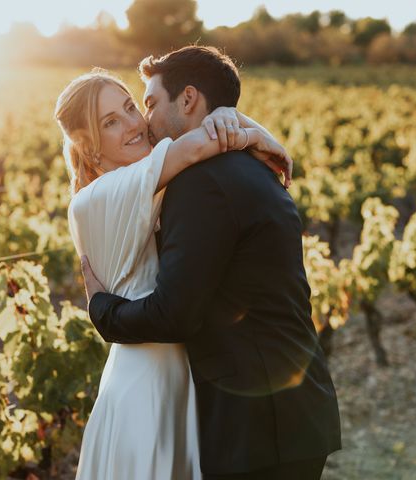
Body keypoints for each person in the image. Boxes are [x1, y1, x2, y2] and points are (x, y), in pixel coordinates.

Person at [79, 46, 342, 480]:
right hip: (283, 414)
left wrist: (102, 310)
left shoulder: (203, 182)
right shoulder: (252, 165)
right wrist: (249, 129)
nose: (144, 121)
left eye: (148, 104)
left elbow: (173, 314)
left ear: (187, 99)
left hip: (260, 427)